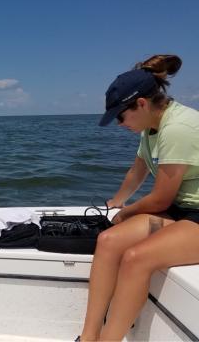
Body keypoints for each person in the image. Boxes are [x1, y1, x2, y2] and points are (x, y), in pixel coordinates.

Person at [78, 54, 199, 341]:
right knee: (108, 241)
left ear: (141, 104)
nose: (119, 124)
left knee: (136, 258)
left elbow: (158, 200)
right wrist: (116, 202)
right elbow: (138, 170)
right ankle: (88, 336)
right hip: (179, 212)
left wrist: (126, 213)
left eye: (121, 115)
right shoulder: (151, 127)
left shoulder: (178, 128)